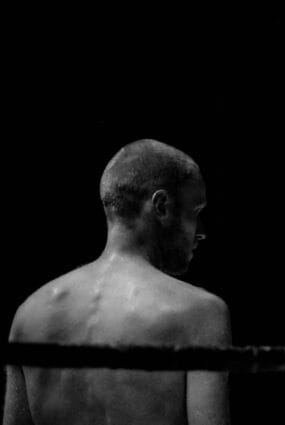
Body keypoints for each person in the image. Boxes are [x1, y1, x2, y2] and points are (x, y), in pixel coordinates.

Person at [4, 140, 231, 425]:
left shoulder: (29, 314)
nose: (202, 232)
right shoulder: (199, 313)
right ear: (161, 206)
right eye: (195, 212)